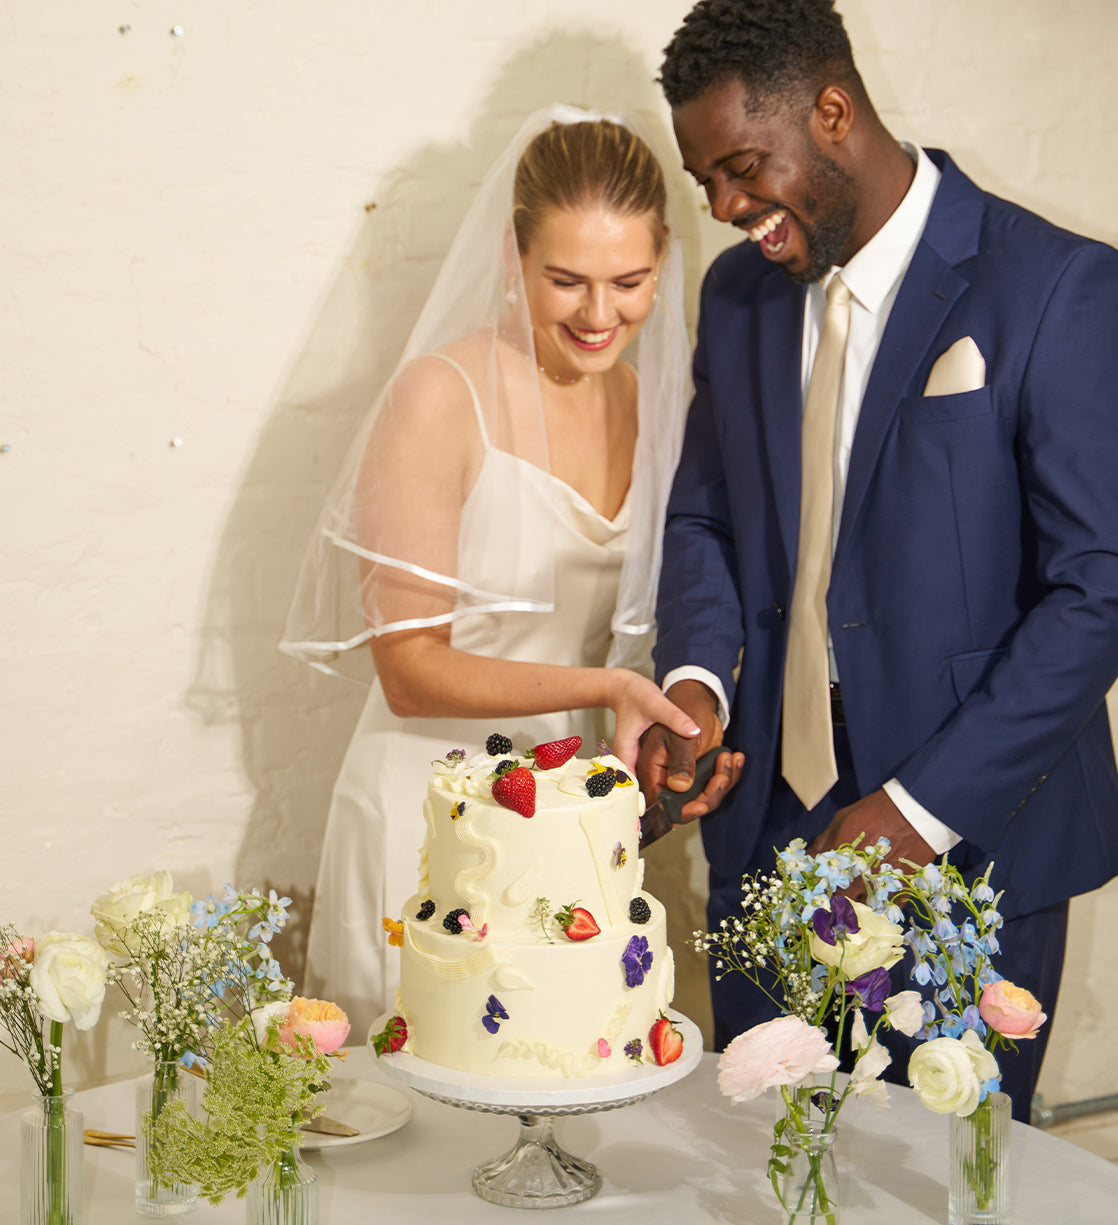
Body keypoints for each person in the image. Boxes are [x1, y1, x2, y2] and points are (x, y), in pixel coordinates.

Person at [637, 0, 1118, 1120]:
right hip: (766, 820)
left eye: (741, 167)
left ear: (833, 112)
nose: (721, 209)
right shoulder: (739, 297)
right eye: (702, 179)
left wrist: (916, 806)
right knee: (764, 1167)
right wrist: (696, 686)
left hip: (967, 835)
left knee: (938, 1182)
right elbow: (705, 519)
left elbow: (1096, 590)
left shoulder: (1054, 288)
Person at [281, 107, 697, 1035]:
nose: (600, 315)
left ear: (663, 259)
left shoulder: (658, 402)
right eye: (567, 281)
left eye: (629, 281)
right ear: (512, 254)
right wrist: (608, 685)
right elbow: (408, 666)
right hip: (425, 820)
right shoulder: (441, 395)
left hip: (565, 826)